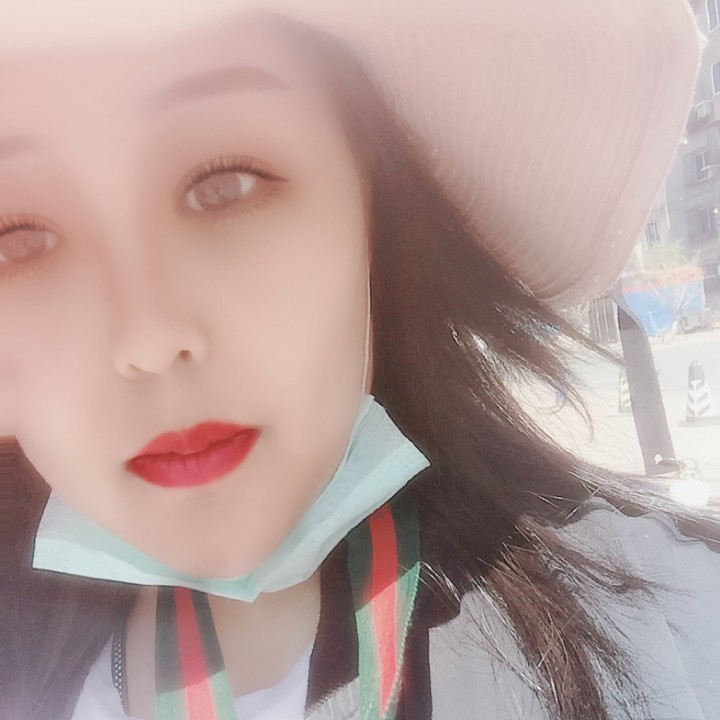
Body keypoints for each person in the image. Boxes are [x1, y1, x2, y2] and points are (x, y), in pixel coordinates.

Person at [1, 1, 718, 719]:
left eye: (226, 184)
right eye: (19, 237)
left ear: (369, 200)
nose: (149, 341)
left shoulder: (683, 630)